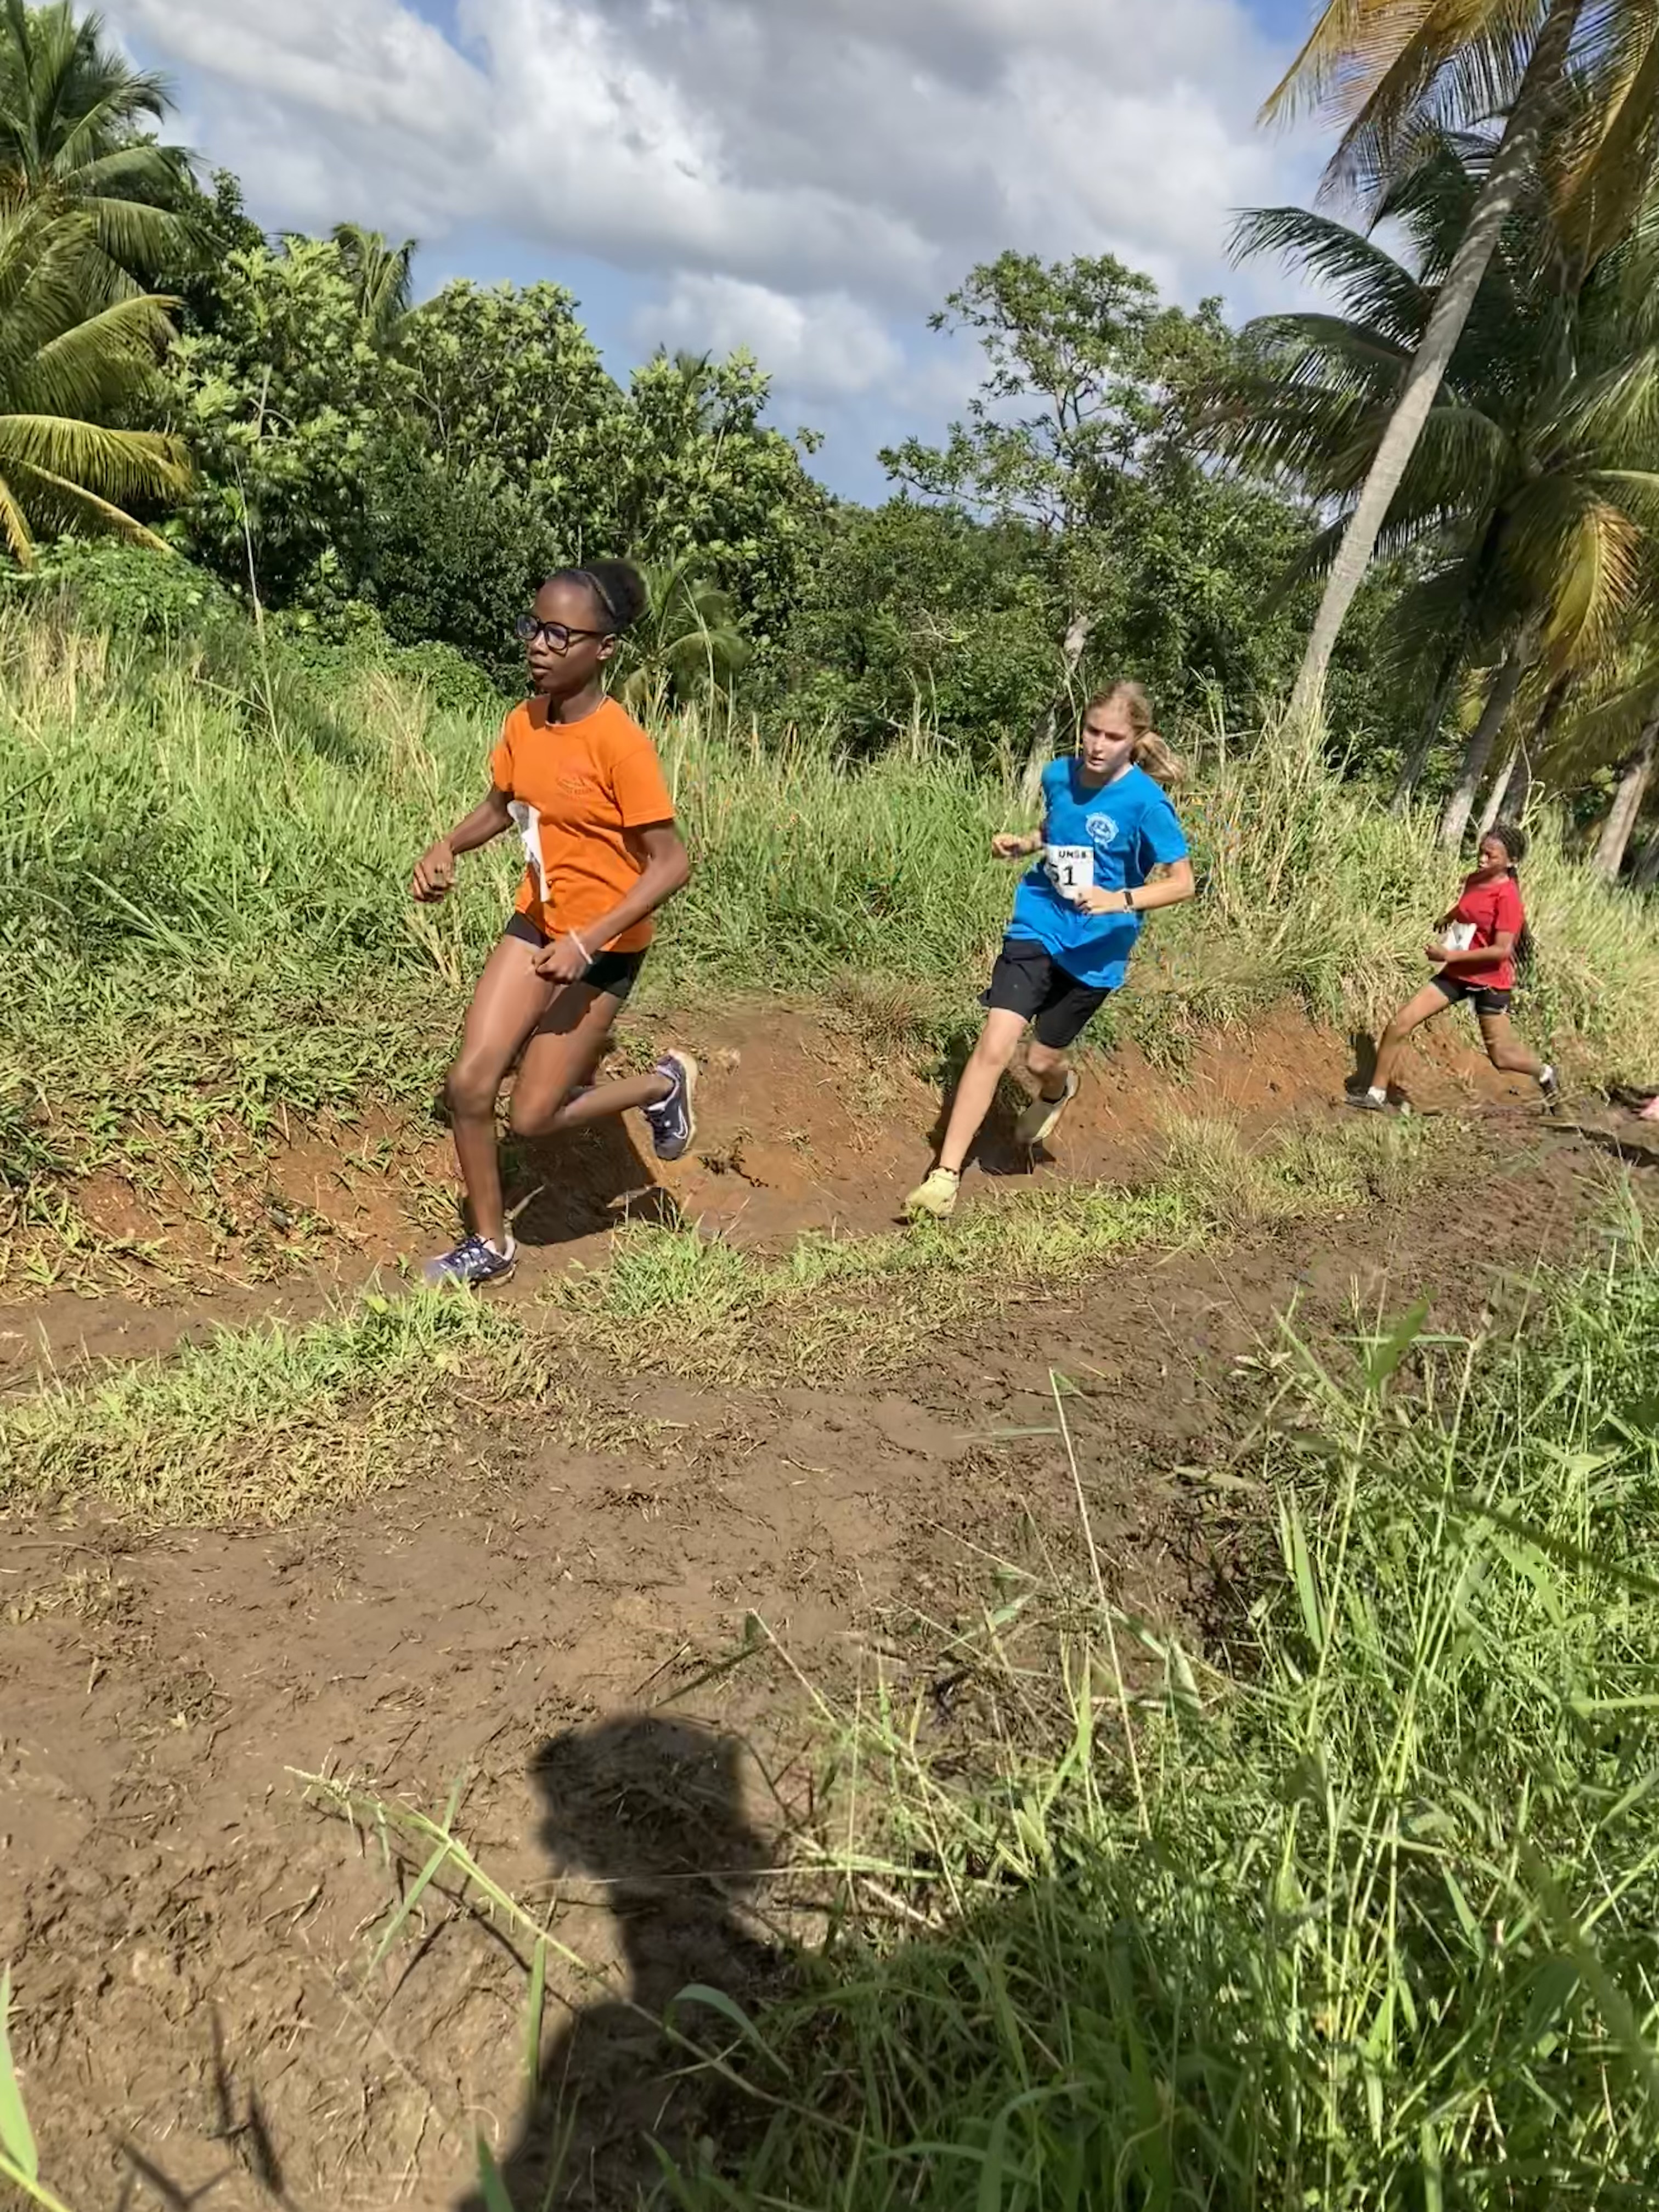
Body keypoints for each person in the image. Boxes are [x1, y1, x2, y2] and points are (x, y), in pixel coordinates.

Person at [412, 561, 697, 1288]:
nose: (539, 645)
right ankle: (489, 1244)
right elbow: (501, 805)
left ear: (604, 649)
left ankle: (660, 1087)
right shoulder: (525, 722)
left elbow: (671, 864)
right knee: (470, 1083)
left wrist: (587, 940)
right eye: (535, 628)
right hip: (537, 923)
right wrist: (447, 846)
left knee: (533, 1117)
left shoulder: (619, 744)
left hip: (605, 946)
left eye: (560, 635)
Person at [904, 682, 1195, 1222]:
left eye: (1113, 737)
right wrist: (1025, 843)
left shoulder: (1147, 804)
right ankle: (944, 1176)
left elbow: (1183, 883)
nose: (1098, 745)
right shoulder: (1058, 774)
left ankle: (1058, 1091)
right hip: (1038, 921)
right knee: (995, 1045)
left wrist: (1117, 899)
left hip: (1098, 949)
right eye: (1091, 731)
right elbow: (1058, 825)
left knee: (1040, 1059)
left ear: (1136, 739)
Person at [1352, 821, 1557, 1113]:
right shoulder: (1475, 879)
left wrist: (1449, 956)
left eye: (1490, 856)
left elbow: (1501, 952)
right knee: (1400, 1023)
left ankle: (1545, 1073)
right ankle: (1376, 1095)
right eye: (1481, 852)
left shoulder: (1509, 898)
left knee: (1501, 1057)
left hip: (1490, 983)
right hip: (1458, 975)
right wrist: (1448, 917)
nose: (1481, 859)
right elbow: (1469, 906)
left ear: (1511, 861)